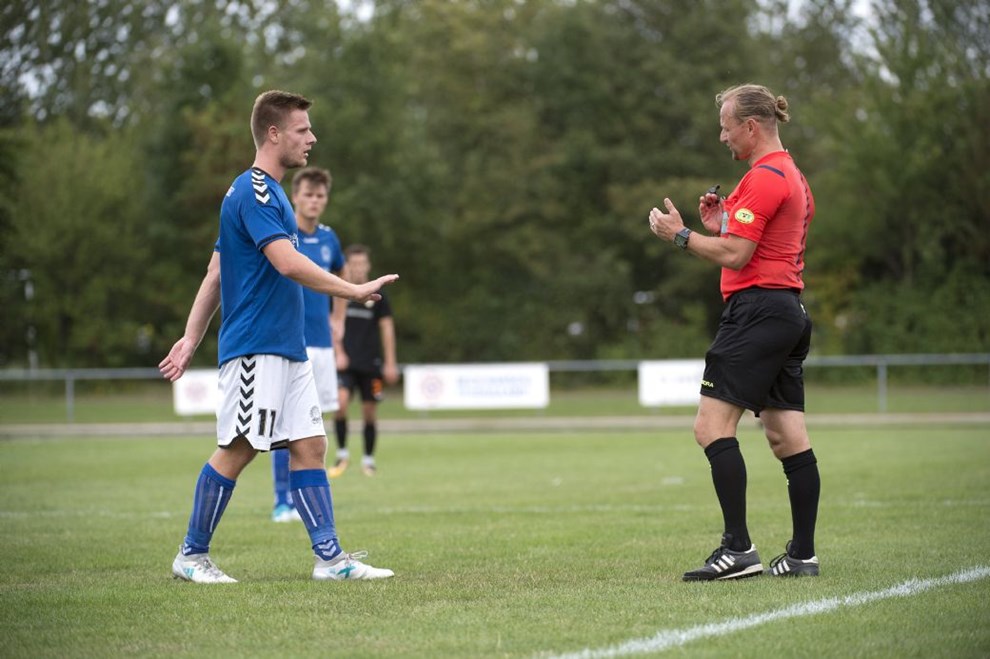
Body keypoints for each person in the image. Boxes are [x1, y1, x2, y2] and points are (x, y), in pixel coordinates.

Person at [159, 90, 398, 583]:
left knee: (310, 445)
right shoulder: (255, 192)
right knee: (240, 446)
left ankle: (330, 560)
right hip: (257, 346)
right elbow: (283, 264)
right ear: (273, 134)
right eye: (302, 130)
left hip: (287, 350)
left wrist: (190, 336)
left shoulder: (269, 197)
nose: (312, 138)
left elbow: (215, 273)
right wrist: (353, 290)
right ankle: (191, 555)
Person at [648, 83, 820, 580]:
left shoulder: (766, 177)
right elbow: (754, 243)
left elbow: (738, 256)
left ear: (749, 126)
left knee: (710, 428)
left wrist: (680, 235)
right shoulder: (790, 175)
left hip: (758, 313)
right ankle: (802, 555)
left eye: (726, 127)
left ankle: (738, 549)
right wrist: (721, 223)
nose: (722, 137)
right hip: (785, 309)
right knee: (787, 436)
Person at [270, 166, 344, 523]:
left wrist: (339, 320)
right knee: (284, 426)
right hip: (290, 342)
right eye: (308, 194)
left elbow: (341, 279)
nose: (314, 201)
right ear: (295, 196)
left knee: (314, 427)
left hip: (323, 346)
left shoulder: (330, 239)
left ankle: (306, 500)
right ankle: (281, 501)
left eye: (320, 195)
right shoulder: (283, 235)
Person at [330, 244, 399, 478]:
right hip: (345, 363)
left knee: (369, 412)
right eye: (354, 264)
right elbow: (332, 324)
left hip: (371, 364)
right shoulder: (340, 292)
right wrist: (338, 351)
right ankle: (341, 455)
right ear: (347, 266)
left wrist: (390, 362)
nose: (358, 269)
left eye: (362, 264)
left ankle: (368, 460)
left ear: (368, 266)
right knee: (339, 404)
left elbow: (387, 328)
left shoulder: (379, 296)